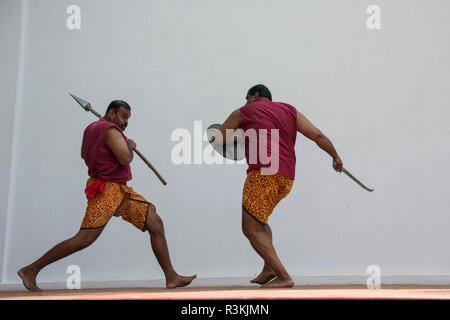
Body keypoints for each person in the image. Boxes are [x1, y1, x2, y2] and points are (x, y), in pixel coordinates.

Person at [18, 100, 196, 292]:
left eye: (128, 118)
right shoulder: (110, 130)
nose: (126, 122)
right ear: (111, 113)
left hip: (119, 190)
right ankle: (31, 270)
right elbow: (125, 158)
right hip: (106, 191)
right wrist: (129, 146)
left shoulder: (91, 129)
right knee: (84, 239)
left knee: (155, 222)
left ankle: (171, 276)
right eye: (124, 116)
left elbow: (83, 154)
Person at [213, 84, 343, 288]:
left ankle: (284, 276)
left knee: (250, 228)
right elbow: (318, 136)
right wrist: (335, 156)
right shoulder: (291, 111)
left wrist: (235, 133)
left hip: (263, 175)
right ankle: (269, 269)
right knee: (261, 221)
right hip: (286, 178)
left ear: (255, 95)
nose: (245, 102)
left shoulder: (243, 111)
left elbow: (219, 138)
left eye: (247, 97)